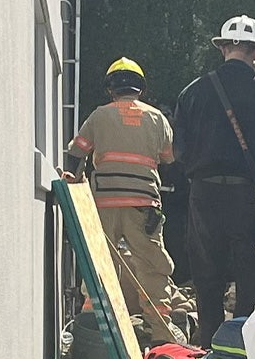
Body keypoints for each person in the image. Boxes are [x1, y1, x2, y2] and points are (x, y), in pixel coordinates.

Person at [174, 15, 255, 348]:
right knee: (251, 279)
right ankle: (244, 351)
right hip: (250, 196)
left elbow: (179, 150)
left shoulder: (193, 92)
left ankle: (209, 349)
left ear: (223, 47)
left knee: (206, 278)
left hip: (205, 194)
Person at [63, 57, 185, 343]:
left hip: (103, 204)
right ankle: (161, 333)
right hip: (144, 206)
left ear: (111, 89)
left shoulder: (99, 115)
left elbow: (76, 153)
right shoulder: (157, 118)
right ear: (140, 88)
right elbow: (168, 158)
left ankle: (92, 330)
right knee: (152, 265)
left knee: (100, 262)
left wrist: (74, 180)